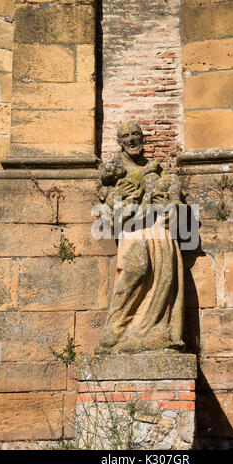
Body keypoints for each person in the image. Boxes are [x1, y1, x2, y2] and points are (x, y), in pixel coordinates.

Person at [96, 122, 185, 353]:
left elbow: (174, 203)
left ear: (142, 138)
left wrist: (168, 206)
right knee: (136, 268)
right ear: (120, 142)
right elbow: (107, 202)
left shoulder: (156, 169)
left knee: (162, 276)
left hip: (158, 229)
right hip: (132, 227)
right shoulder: (113, 169)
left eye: (135, 134)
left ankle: (153, 330)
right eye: (126, 136)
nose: (131, 139)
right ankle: (115, 329)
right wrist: (120, 198)